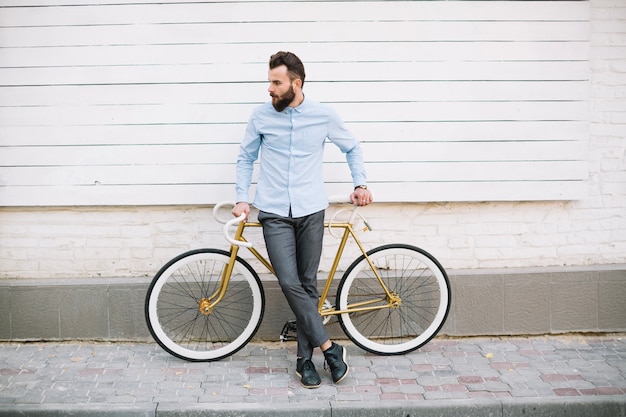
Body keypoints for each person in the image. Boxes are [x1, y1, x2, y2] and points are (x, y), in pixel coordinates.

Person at [232, 51, 373, 389]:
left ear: (295, 83)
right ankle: (330, 347)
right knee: (289, 282)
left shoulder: (323, 115)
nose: (269, 88)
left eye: (276, 82)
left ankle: (304, 361)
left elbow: (352, 147)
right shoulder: (261, 117)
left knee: (307, 287)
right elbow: (245, 157)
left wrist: (361, 183)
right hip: (275, 212)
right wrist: (241, 197)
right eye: (269, 81)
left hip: (311, 210)